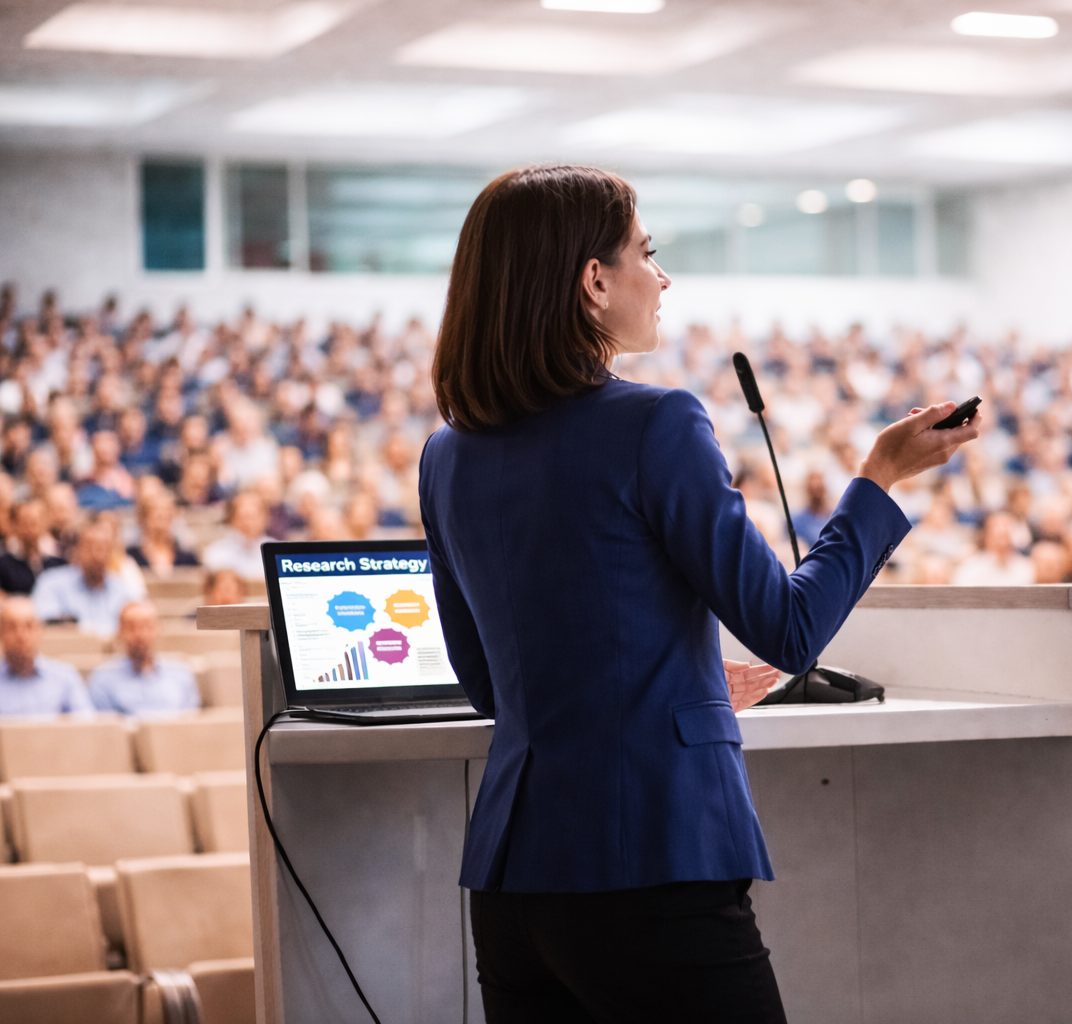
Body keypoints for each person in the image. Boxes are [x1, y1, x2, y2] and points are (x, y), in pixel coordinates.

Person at [417, 165, 980, 1022]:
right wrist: (881, 477)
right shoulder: (655, 423)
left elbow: (495, 684)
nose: (662, 275)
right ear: (593, 281)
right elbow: (790, 630)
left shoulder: (446, 455)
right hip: (651, 862)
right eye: (646, 252)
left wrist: (678, 675)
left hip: (513, 879)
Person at [88, 601, 200, 715]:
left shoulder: (181, 675)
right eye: (132, 627)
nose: (141, 634)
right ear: (120, 631)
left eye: (148, 626)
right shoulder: (102, 679)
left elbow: (190, 725)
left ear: (159, 629)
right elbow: (108, 730)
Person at [30, 519, 136, 634]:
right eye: (90, 548)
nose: (97, 555)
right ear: (78, 550)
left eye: (103, 549)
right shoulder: (51, 582)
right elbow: (46, 624)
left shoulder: (121, 587)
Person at [0, 595, 93, 715]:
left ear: (39, 630)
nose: (21, 635)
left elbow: (86, 727)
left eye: (29, 626)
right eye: (12, 627)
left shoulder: (65, 678)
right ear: (1, 631)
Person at [202, 490, 274, 580]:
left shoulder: (276, 551)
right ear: (232, 519)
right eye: (243, 517)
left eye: (253, 517)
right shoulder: (215, 554)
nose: (248, 523)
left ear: (265, 518)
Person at [126, 489, 200, 576]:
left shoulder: (187, 558)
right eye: (158, 518)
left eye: (167, 518)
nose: (162, 524)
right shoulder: (132, 557)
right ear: (144, 520)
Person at [0, 499, 66, 594]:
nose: (30, 530)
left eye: (34, 523)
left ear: (45, 524)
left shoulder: (59, 558)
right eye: (24, 524)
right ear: (15, 526)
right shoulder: (4, 564)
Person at [952, 512, 1035, 586]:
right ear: (987, 536)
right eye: (998, 534)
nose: (1002, 541)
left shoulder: (1027, 569)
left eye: (1006, 534)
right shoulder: (968, 571)